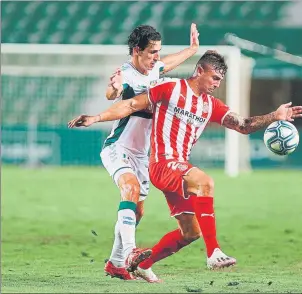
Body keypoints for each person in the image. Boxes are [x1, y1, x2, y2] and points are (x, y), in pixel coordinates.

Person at [68, 51, 302, 282]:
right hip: (162, 164)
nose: (216, 83)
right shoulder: (170, 89)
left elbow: (243, 125)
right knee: (204, 181)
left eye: (220, 80)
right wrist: (96, 118)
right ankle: (214, 253)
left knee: (190, 232)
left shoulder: (211, 105)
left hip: (179, 168)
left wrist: (275, 115)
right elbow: (130, 105)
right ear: (199, 70)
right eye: (214, 77)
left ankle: (142, 265)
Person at [100, 23, 200, 281]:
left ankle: (115, 263)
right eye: (152, 52)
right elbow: (113, 91)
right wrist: (115, 88)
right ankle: (132, 253)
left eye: (158, 51)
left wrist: (192, 49)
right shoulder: (125, 73)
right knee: (130, 190)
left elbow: (168, 63)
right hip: (118, 147)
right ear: (137, 51)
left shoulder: (154, 68)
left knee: (137, 211)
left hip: (143, 154)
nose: (157, 57)